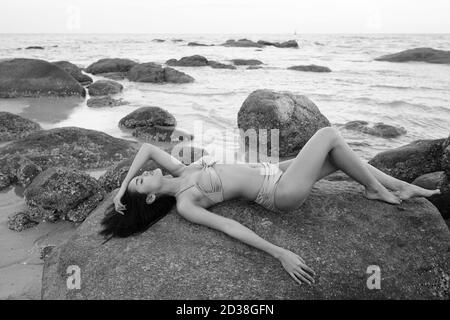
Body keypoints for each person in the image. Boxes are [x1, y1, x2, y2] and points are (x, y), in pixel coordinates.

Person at [100, 127, 441, 285]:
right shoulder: (186, 202)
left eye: (140, 175)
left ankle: (401, 187)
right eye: (141, 182)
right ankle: (376, 190)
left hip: (274, 169)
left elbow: (145, 147)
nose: (144, 173)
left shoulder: (181, 170)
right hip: (278, 191)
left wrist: (120, 188)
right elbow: (231, 227)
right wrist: (280, 253)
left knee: (338, 156)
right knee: (328, 135)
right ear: (149, 197)